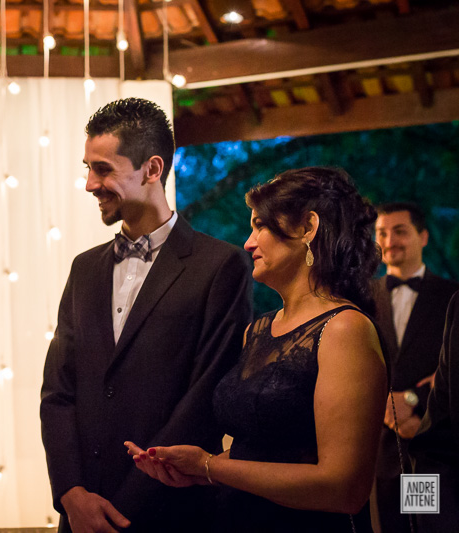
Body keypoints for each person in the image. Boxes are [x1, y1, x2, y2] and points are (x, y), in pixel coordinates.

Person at [126, 167, 388, 532]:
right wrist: (197, 472)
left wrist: (210, 466)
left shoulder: (345, 328)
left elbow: (343, 488)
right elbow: (262, 449)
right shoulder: (258, 330)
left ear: (308, 228)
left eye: (261, 226)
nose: (248, 243)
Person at [40, 97, 253, 532]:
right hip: (81, 517)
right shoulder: (84, 268)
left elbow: (205, 395)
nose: (89, 184)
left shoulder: (220, 265)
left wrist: (124, 510)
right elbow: (58, 391)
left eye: (102, 169)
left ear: (152, 169)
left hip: (171, 513)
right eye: (87, 168)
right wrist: (71, 495)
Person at [371, 202, 459, 533]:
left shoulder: (452, 296)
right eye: (382, 233)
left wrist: (413, 401)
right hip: (376, 450)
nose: (389, 240)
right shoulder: (360, 299)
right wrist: (385, 407)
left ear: (422, 237)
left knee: (424, 527)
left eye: (400, 231)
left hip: (427, 445)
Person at [409, 290, 459, 532]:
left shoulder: (444, 291)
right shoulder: (458, 304)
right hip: (390, 458)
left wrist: (412, 400)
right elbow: (429, 447)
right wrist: (424, 521)